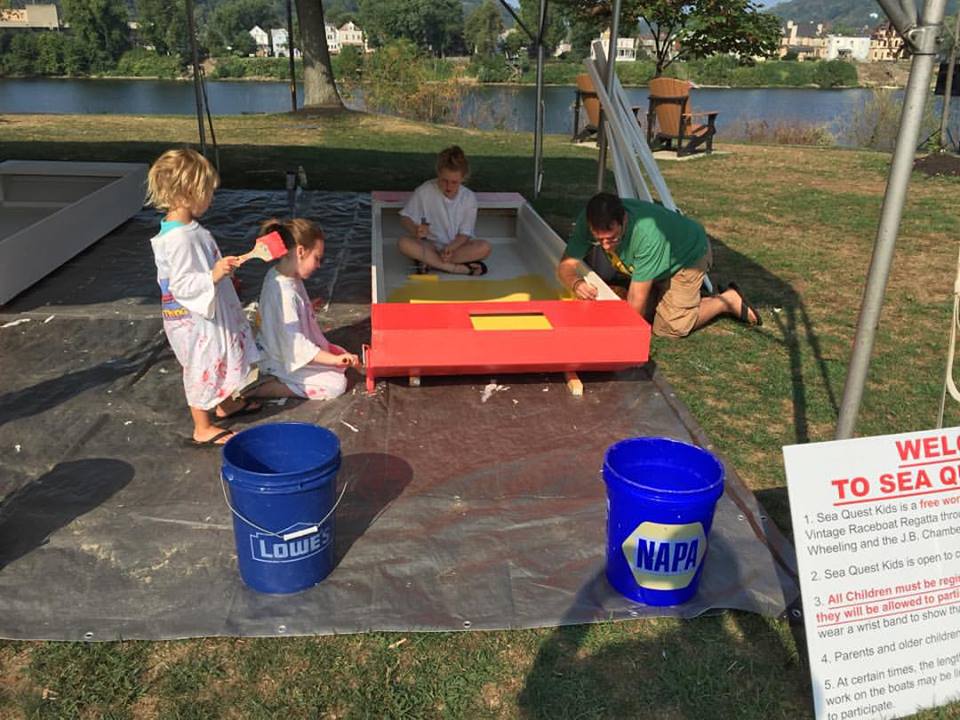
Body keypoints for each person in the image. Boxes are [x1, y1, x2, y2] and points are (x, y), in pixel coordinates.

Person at [146, 148, 261, 446]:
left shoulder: (184, 229)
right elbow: (182, 284)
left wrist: (222, 273)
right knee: (203, 363)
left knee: (221, 353)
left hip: (204, 308)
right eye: (208, 191)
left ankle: (224, 403)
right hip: (194, 319)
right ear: (188, 191)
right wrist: (214, 275)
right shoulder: (180, 238)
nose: (211, 198)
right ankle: (203, 426)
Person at [557, 193, 761, 338]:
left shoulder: (646, 235)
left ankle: (726, 300)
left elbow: (636, 301)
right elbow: (565, 266)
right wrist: (575, 283)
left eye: (612, 238)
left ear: (624, 220)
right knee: (622, 305)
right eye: (598, 240)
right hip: (656, 261)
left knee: (670, 328)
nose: (606, 246)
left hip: (687, 258)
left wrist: (616, 338)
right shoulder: (589, 220)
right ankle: (671, 297)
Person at [249, 218, 360, 401]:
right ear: (300, 251)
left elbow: (285, 316)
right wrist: (333, 360)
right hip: (281, 359)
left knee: (340, 357)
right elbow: (296, 346)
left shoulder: (280, 274)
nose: (318, 265)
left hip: (275, 348)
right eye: (316, 258)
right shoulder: (285, 292)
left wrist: (306, 310)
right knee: (336, 384)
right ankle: (270, 388)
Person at [398, 145, 491, 276]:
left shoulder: (469, 198)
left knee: (484, 248)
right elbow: (405, 217)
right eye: (444, 181)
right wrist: (416, 230)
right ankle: (457, 269)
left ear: (463, 178)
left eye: (454, 182)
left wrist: (450, 249)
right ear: (438, 173)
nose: (448, 186)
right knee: (403, 243)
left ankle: (431, 263)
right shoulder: (425, 190)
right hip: (431, 246)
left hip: (457, 248)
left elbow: (465, 234)